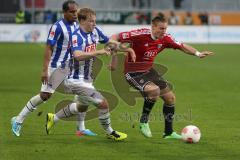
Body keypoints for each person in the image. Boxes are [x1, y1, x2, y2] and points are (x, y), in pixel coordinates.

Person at [109, 13, 213, 139]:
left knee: (170, 98)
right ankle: (143, 121)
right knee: (154, 91)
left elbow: (182, 46)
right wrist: (114, 53)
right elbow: (115, 36)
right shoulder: (139, 34)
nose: (164, 31)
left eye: (165, 28)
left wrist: (197, 53)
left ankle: (168, 133)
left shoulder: (165, 38)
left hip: (148, 70)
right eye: (161, 28)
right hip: (133, 72)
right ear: (153, 27)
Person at [45, 7, 135, 141]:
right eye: (91, 21)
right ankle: (110, 132)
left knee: (81, 106)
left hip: (87, 79)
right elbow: (77, 55)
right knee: (103, 103)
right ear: (82, 21)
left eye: (95, 21)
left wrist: (128, 49)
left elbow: (111, 43)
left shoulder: (95, 31)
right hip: (75, 80)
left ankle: (54, 118)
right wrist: (98, 52)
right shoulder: (76, 35)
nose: (94, 24)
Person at [11, 0, 79, 137]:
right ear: (64, 12)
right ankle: (18, 120)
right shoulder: (57, 27)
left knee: (83, 90)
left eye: (76, 11)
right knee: (45, 96)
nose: (75, 14)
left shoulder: (76, 26)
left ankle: (80, 127)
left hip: (69, 66)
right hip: (55, 66)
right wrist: (44, 70)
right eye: (71, 12)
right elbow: (48, 48)